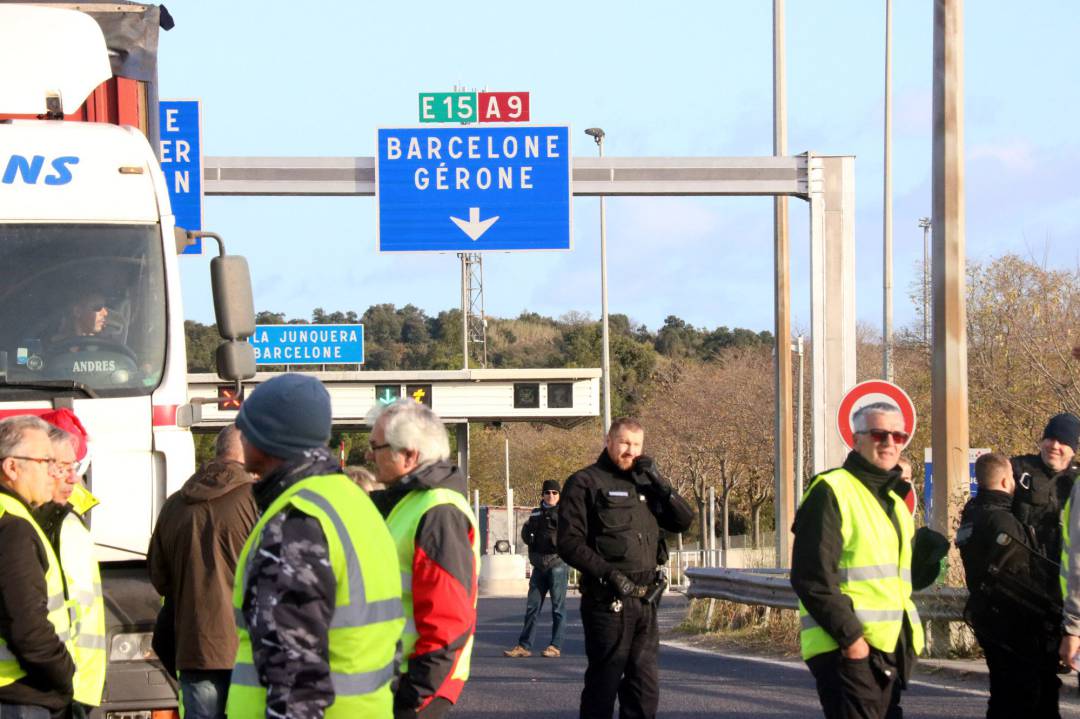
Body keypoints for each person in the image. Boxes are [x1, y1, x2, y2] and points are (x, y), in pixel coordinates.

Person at [226, 374, 405, 718]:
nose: (241, 436)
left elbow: (295, 676)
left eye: (246, 427)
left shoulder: (298, 519)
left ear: (268, 437)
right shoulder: (355, 505)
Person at [791, 402, 924, 719]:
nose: (890, 442)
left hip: (886, 649)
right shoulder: (831, 490)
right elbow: (811, 578)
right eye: (879, 434)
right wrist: (853, 642)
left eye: (898, 435)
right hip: (845, 648)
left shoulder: (893, 500)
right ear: (856, 439)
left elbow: (896, 580)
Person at [557, 417, 694, 719]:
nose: (630, 451)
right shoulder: (585, 482)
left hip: (646, 600)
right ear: (609, 441)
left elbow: (683, 521)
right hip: (608, 601)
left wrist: (662, 485)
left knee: (643, 687)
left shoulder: (646, 484)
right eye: (624, 443)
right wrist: (610, 575)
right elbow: (568, 543)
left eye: (636, 445)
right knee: (603, 685)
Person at [366, 400, 479, 719]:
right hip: (400, 678)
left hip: (414, 685)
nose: (369, 455)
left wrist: (414, 695)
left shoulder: (437, 511)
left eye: (376, 446)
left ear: (410, 454)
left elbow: (448, 618)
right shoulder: (412, 503)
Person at [147, 425, 259, 719]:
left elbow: (159, 577)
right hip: (248, 648)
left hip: (195, 646)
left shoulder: (174, 504)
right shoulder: (255, 499)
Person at [958, 452, 1061, 718]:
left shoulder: (972, 513)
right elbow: (1021, 575)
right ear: (1005, 481)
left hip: (987, 617)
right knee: (1022, 697)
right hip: (1013, 625)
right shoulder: (1003, 522)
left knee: (1003, 693)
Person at [0, 415, 75, 718]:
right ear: (12, 467)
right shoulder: (13, 527)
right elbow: (28, 630)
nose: (53, 473)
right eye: (45, 462)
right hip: (18, 696)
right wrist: (64, 674)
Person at [33, 410, 105, 719]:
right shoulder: (63, 522)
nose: (73, 477)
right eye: (65, 467)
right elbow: (78, 609)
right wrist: (75, 685)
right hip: (65, 683)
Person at [504, 479, 568, 659]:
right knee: (532, 607)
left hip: (557, 564)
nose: (551, 496)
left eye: (555, 493)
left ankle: (555, 646)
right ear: (542, 495)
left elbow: (573, 537)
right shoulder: (535, 514)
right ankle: (524, 646)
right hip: (539, 566)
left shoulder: (565, 513)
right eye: (548, 492)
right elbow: (526, 534)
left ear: (559, 495)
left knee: (558, 608)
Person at [1012, 412, 1080, 560]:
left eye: (1062, 441)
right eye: (1050, 438)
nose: (1055, 446)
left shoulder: (1077, 482)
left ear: (1073, 450)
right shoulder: (1016, 470)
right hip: (1021, 572)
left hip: (1065, 574)